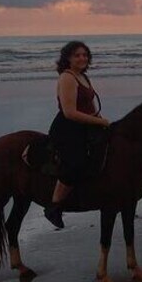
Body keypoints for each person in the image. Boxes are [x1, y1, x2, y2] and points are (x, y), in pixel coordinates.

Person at [44, 41, 110, 228]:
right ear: (68, 58)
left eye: (84, 55)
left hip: (87, 125)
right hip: (68, 128)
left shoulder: (83, 77)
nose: (82, 58)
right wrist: (99, 122)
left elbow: (90, 106)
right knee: (76, 162)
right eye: (77, 55)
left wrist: (100, 119)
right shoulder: (67, 78)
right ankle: (54, 206)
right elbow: (69, 112)